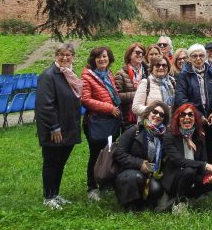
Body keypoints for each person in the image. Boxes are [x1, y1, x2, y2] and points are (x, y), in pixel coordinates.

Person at [36, 43, 83, 210]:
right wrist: (54, 127)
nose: (64, 58)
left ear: (73, 57)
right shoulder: (48, 75)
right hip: (55, 129)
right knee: (51, 162)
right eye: (61, 54)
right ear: (55, 56)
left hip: (68, 127)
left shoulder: (69, 74)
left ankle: (55, 193)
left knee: (60, 163)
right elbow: (45, 105)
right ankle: (48, 197)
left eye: (68, 55)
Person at [162, 103, 212, 213]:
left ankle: (189, 198)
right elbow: (180, 161)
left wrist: (209, 176)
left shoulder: (199, 136)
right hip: (174, 178)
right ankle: (178, 203)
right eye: (182, 115)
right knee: (189, 171)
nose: (186, 117)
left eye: (190, 114)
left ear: (195, 119)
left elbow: (202, 160)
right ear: (177, 119)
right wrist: (205, 165)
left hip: (193, 175)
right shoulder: (169, 136)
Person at [80, 46, 122, 202]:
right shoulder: (87, 77)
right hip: (96, 122)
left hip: (110, 122)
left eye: (104, 56)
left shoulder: (108, 74)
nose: (102, 59)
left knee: (109, 152)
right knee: (96, 154)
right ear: (93, 60)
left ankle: (105, 182)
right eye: (98, 57)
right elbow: (85, 99)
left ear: (109, 58)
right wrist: (110, 107)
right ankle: (92, 186)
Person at [113, 101, 171, 211]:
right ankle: (129, 205)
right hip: (129, 170)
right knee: (137, 178)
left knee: (156, 189)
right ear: (148, 113)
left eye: (161, 115)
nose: (157, 115)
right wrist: (139, 164)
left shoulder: (164, 136)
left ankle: (144, 203)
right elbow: (119, 153)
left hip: (152, 171)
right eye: (155, 112)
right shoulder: (134, 130)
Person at [175, 43, 212, 165]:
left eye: (201, 55)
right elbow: (181, 98)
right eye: (194, 56)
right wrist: (197, 115)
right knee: (195, 147)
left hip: (209, 119)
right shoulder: (183, 75)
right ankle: (197, 175)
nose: (198, 59)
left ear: (205, 57)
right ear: (190, 58)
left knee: (209, 146)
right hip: (191, 119)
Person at [115, 43, 146, 130]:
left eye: (142, 53)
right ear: (129, 55)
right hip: (128, 117)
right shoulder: (121, 74)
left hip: (144, 114)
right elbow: (117, 96)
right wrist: (137, 94)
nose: (140, 55)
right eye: (137, 52)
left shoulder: (147, 72)